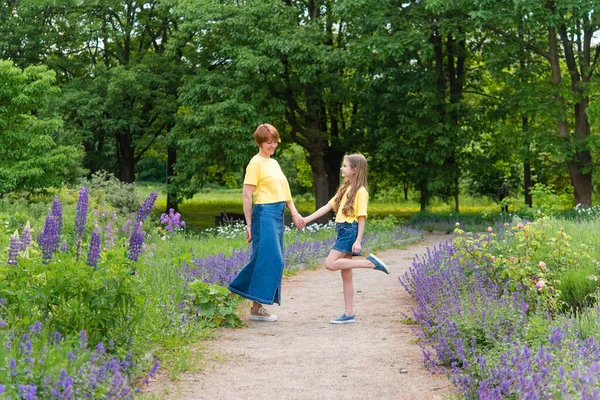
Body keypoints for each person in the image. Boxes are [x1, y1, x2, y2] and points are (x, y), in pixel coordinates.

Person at [228, 124, 305, 322]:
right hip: (264, 213)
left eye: (275, 142)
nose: (273, 145)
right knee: (272, 259)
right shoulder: (255, 163)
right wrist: (249, 224)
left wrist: (294, 213)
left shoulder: (275, 163)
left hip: (278, 214)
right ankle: (231, 293)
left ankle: (256, 307)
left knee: (269, 259)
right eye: (269, 142)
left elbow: (285, 192)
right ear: (260, 143)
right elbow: (247, 195)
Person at [301, 154, 390, 324]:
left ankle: (369, 263)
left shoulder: (361, 191)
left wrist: (358, 240)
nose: (342, 168)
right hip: (342, 231)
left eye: (345, 166)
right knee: (346, 276)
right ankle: (349, 313)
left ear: (355, 170)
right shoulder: (345, 188)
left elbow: (362, 217)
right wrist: (306, 219)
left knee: (329, 263)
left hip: (350, 231)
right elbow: (328, 206)